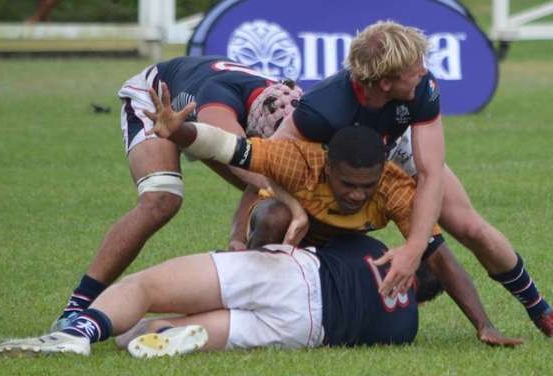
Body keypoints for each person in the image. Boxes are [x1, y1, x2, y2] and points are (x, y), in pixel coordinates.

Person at [266, 20, 553, 340]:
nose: (423, 71)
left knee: (471, 227)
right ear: (386, 82)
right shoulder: (322, 109)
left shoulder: (422, 88)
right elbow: (263, 158)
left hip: (397, 149)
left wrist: (415, 246)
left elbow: (430, 172)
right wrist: (286, 209)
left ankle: (541, 310)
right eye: (415, 66)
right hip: (342, 166)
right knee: (289, 221)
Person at [140, 95, 521, 347]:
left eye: (366, 186)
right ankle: (234, 289)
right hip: (291, 237)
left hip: (321, 263)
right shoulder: (298, 159)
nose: (357, 194)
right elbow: (229, 147)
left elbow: (439, 256)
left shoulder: (394, 190)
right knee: (275, 215)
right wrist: (180, 132)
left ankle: (207, 314)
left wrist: (484, 324)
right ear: (329, 165)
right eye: (348, 184)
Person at [51, 55, 304, 331]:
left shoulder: (288, 102)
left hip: (205, 111)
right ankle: (78, 304)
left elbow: (262, 175)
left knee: (271, 186)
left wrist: (238, 238)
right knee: (162, 199)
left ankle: (251, 283)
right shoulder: (217, 104)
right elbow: (247, 165)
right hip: (157, 103)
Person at [0, 234, 420, 357]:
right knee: (139, 335)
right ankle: (170, 333)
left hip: (293, 277)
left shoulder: (376, 250)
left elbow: (311, 234)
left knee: (145, 286)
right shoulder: (406, 327)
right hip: (305, 331)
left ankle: (79, 334)